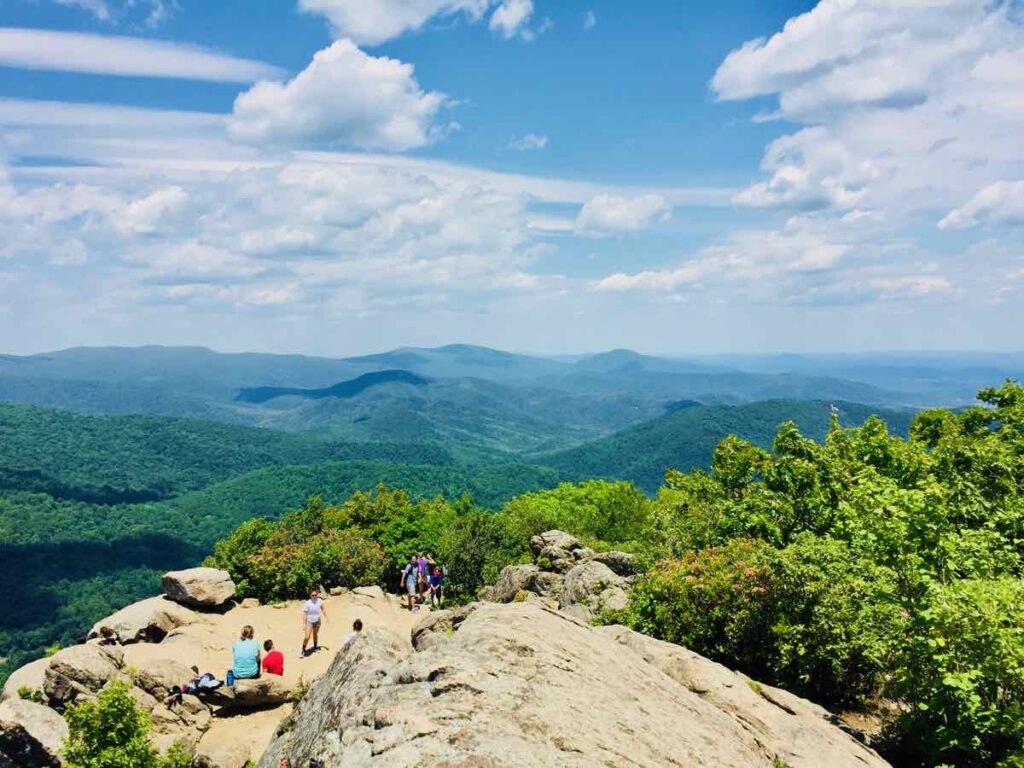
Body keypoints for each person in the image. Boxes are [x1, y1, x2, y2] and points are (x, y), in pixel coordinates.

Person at [301, 589, 326, 657]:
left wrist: (326, 617)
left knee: (315, 634)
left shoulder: (319, 601)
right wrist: (304, 624)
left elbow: (323, 608)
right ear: (310, 595)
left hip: (317, 621)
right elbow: (304, 614)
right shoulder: (307, 603)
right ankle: (303, 650)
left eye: (315, 595)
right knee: (307, 636)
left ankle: (315, 647)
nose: (314, 596)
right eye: (313, 595)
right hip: (309, 621)